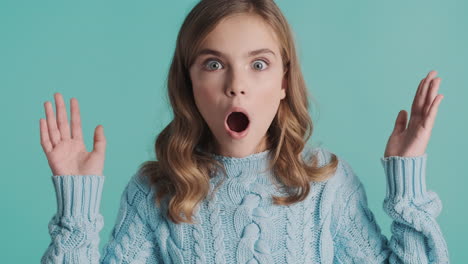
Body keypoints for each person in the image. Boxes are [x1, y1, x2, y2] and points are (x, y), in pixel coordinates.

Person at [39, 0, 449, 263]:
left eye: (259, 64)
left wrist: (407, 179)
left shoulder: (326, 186)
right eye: (214, 64)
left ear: (284, 81)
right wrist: (76, 207)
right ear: (189, 85)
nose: (237, 84)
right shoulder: (157, 190)